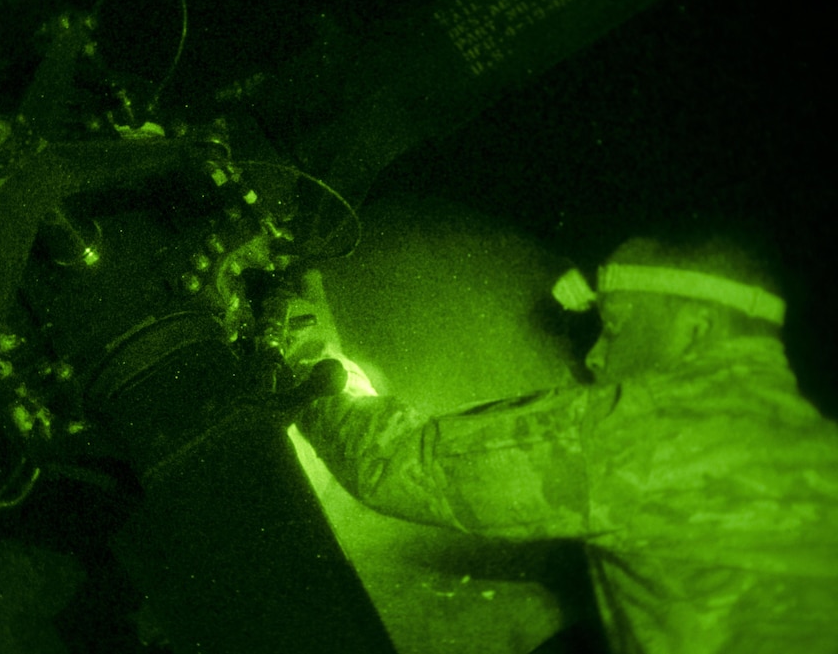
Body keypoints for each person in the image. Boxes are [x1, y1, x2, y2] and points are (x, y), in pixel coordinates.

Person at [284, 231, 838, 653]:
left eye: (615, 327)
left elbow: (398, 465)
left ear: (697, 327)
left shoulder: (651, 428)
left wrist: (309, 371)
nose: (595, 357)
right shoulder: (815, 443)